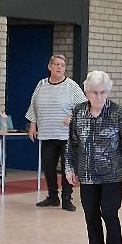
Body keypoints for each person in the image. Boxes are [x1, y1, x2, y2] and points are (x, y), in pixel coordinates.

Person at [66, 71, 122, 244]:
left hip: (113, 174)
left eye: (103, 92)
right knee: (91, 215)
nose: (99, 97)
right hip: (87, 174)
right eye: (94, 92)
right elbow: (72, 143)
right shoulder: (78, 112)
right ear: (87, 92)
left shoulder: (118, 112)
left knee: (109, 213)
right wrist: (70, 168)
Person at [26, 53, 86, 212]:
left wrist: (72, 116)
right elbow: (33, 106)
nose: (59, 67)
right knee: (48, 166)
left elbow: (84, 106)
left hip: (66, 135)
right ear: (49, 67)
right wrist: (33, 125)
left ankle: (67, 199)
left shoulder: (71, 86)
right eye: (56, 64)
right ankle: (53, 197)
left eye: (62, 65)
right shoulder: (41, 84)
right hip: (47, 133)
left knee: (67, 168)